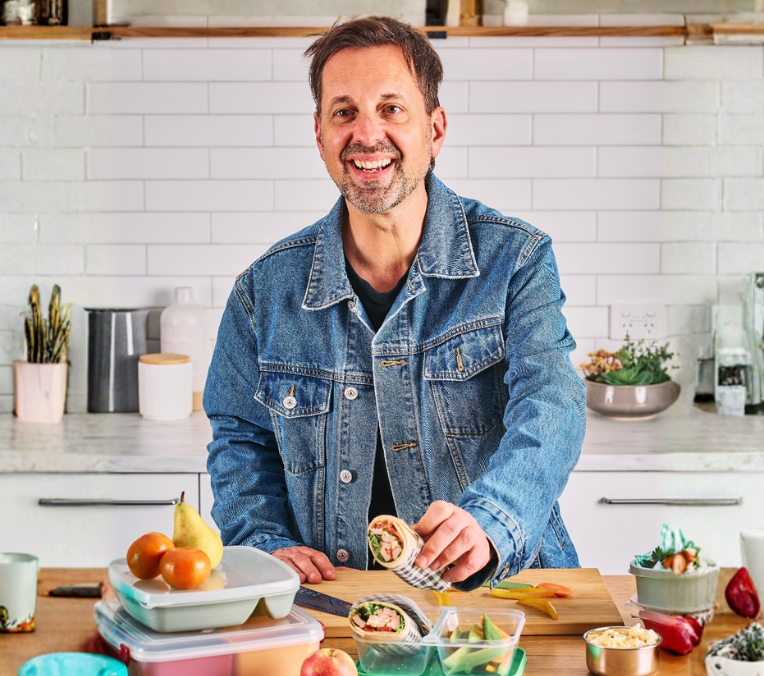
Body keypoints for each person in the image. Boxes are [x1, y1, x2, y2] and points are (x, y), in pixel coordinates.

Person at [204, 16, 584, 591]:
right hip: (334, 608)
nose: (366, 133)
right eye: (344, 111)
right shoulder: (263, 293)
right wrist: (265, 542)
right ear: (319, 134)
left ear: (435, 129)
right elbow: (239, 440)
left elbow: (552, 407)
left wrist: (488, 522)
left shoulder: (516, 261)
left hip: (504, 597)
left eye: (391, 109)